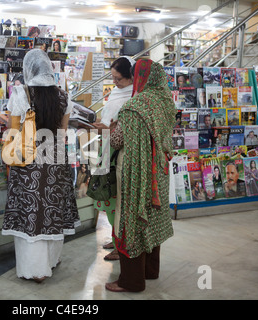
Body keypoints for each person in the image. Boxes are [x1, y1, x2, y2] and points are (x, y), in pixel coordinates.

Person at [1, 49, 80, 283]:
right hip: (56, 160)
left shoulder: (20, 93)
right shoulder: (63, 96)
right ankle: (51, 260)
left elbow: (14, 131)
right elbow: (62, 132)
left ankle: (35, 269)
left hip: (29, 161)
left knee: (30, 211)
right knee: (52, 210)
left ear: (28, 69)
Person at [106, 59, 177, 292]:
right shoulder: (166, 101)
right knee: (152, 218)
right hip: (159, 172)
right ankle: (150, 271)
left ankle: (132, 281)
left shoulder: (135, 105)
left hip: (137, 172)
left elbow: (118, 141)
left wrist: (114, 127)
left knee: (133, 219)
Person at [92, 56, 135, 261]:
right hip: (107, 148)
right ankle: (115, 236)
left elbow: (127, 129)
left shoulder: (135, 96)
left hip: (120, 153)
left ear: (130, 77)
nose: (115, 83)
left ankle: (121, 244)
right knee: (107, 194)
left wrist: (108, 127)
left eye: (119, 79)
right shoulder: (117, 92)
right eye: (113, 78)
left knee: (118, 197)